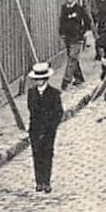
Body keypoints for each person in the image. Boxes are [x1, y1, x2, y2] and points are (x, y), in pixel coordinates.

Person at [27, 62, 62, 192]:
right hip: (35, 129)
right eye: (36, 79)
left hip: (49, 130)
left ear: (46, 79)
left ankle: (46, 181)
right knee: (37, 154)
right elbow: (31, 109)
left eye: (41, 79)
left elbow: (58, 112)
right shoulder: (31, 93)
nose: (38, 82)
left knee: (47, 154)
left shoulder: (54, 93)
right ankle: (39, 181)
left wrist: (52, 126)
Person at [58, 0, 89, 88]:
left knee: (72, 57)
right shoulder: (64, 8)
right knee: (73, 58)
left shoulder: (79, 9)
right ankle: (79, 78)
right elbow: (62, 21)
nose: (69, 1)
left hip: (77, 37)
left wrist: (82, 32)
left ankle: (66, 80)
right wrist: (62, 33)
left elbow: (87, 21)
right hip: (67, 37)